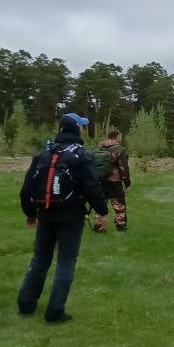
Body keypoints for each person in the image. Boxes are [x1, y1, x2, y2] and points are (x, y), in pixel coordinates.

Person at [17, 113, 109, 323]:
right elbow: (93, 186)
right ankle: (55, 312)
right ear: (77, 130)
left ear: (60, 130)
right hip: (72, 216)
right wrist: (102, 212)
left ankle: (25, 304)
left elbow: (26, 189)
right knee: (66, 261)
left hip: (46, 214)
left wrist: (30, 214)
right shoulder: (82, 155)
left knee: (40, 258)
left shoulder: (43, 154)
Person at [94, 128, 132, 232]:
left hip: (100, 180)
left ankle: (99, 227)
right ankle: (121, 226)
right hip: (114, 181)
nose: (121, 138)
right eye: (120, 136)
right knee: (119, 204)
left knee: (101, 203)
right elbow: (123, 168)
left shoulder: (100, 147)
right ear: (116, 137)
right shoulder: (119, 149)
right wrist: (127, 183)